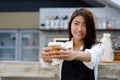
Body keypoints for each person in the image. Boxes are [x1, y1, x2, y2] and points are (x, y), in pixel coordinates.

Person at [41, 8, 105, 80]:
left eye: (85, 25)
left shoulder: (98, 46)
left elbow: (92, 56)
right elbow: (50, 62)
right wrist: (46, 58)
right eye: (76, 23)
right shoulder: (63, 46)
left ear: (90, 28)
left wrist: (73, 55)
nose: (79, 29)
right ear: (70, 25)